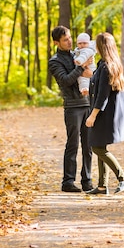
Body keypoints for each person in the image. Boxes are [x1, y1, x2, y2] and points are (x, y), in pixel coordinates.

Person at [85, 32, 124, 195]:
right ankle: (101, 186)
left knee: (97, 147)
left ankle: (123, 178)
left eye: (96, 44)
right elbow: (98, 88)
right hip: (107, 114)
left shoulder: (106, 67)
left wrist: (92, 115)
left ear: (101, 46)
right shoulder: (107, 64)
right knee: (100, 145)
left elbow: (102, 96)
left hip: (104, 114)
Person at [48, 25, 93, 193]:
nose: (69, 41)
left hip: (87, 103)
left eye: (70, 38)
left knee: (88, 144)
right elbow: (66, 80)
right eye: (65, 39)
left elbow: (89, 73)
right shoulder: (55, 61)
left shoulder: (78, 53)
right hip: (73, 106)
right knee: (73, 144)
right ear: (56, 42)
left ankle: (87, 180)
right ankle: (68, 181)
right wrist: (81, 68)